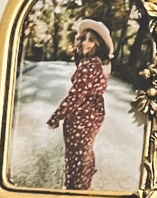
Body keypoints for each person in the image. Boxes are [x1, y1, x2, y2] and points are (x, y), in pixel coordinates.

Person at [47, 18, 113, 189]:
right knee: (85, 151)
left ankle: (75, 189)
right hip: (95, 112)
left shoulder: (89, 65)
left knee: (77, 155)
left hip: (83, 114)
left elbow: (75, 96)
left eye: (91, 40)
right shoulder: (98, 63)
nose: (85, 43)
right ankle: (83, 184)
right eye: (83, 38)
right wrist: (79, 45)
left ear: (99, 44)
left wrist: (56, 117)